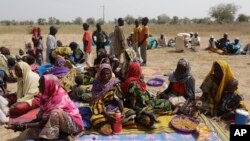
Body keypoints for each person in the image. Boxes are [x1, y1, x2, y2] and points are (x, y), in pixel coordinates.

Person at [6, 74, 83, 140]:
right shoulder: (45, 97)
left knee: (55, 113)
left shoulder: (58, 98)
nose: (38, 87)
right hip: (53, 123)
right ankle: (59, 134)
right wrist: (21, 125)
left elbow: (43, 122)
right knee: (29, 133)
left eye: (41, 86)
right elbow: (39, 118)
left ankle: (58, 136)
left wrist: (24, 126)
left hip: (72, 125)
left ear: (49, 86)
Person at [121, 62, 171, 127]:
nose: (141, 71)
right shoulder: (132, 84)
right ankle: (149, 115)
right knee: (146, 120)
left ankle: (151, 113)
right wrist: (144, 111)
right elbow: (133, 105)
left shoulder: (138, 79)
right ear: (137, 70)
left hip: (147, 102)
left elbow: (143, 92)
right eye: (139, 70)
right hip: (139, 108)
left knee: (167, 103)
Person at [90, 64, 123, 134]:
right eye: (103, 74)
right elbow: (96, 102)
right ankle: (107, 124)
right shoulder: (96, 84)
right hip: (101, 109)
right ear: (100, 74)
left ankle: (111, 123)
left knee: (129, 114)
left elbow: (119, 99)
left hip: (113, 108)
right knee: (94, 119)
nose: (105, 76)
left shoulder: (115, 83)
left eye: (108, 74)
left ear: (111, 73)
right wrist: (107, 116)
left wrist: (121, 112)